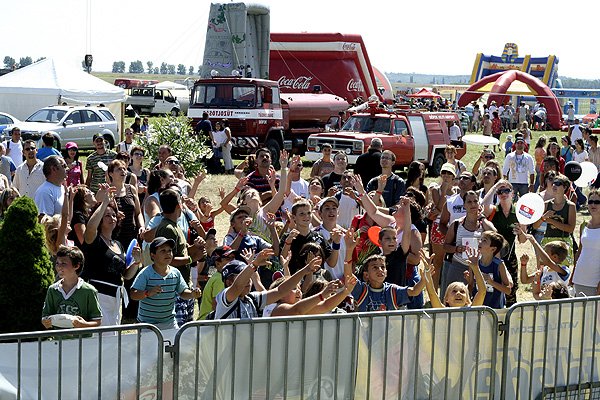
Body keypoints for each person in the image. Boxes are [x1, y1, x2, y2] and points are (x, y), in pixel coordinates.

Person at [82, 184, 142, 326]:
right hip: (97, 296)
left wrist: (137, 262)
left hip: (115, 297)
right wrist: (104, 204)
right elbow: (90, 227)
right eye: (107, 216)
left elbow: (126, 275)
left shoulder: (118, 244)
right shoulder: (94, 240)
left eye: (114, 215)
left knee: (113, 340)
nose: (112, 218)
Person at [213, 252, 320, 320]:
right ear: (228, 283)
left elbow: (280, 291)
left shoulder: (252, 299)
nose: (248, 281)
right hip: (226, 353)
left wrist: (304, 271)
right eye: (244, 277)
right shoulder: (225, 298)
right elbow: (237, 286)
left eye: (249, 277)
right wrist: (253, 265)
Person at [155, 188, 207, 326]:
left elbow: (180, 253)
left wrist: (195, 247)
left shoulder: (175, 226)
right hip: (173, 290)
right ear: (179, 206)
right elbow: (167, 260)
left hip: (183, 286)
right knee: (178, 335)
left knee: (186, 331)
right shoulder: (167, 228)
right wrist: (192, 259)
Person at [130, 237, 202, 330]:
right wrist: (148, 293)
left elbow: (183, 292)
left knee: (173, 344)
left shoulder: (175, 273)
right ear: (152, 255)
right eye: (163, 251)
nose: (168, 253)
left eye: (170, 250)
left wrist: (192, 294)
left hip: (169, 323)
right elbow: (133, 294)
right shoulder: (145, 273)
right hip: (147, 324)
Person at [441, 190, 496, 297]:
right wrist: (457, 249)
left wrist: (483, 219)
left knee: (476, 299)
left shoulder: (483, 224)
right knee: (452, 299)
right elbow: (446, 246)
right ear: (464, 205)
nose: (473, 204)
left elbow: (495, 235)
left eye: (475, 201)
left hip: (478, 268)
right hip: (458, 266)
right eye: (469, 202)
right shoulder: (456, 224)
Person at [41, 246, 102, 330]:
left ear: (76, 266)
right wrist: (46, 322)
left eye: (63, 263)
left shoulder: (89, 291)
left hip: (82, 340)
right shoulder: (52, 290)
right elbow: (45, 317)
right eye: (57, 263)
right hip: (59, 340)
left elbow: (97, 321)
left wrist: (84, 324)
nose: (59, 267)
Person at [280, 199, 341, 275]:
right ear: (294, 217)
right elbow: (282, 260)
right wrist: (288, 242)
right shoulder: (288, 237)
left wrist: (336, 243)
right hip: (295, 282)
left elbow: (332, 263)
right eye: (302, 214)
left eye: (309, 213)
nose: (306, 216)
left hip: (316, 282)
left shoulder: (319, 236)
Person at [532, 173, 576, 266]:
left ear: (564, 187)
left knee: (561, 275)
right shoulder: (546, 204)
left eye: (558, 183)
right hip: (548, 242)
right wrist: (543, 218)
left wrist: (551, 221)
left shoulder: (571, 206)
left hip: (563, 243)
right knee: (544, 274)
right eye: (553, 183)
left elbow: (570, 229)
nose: (554, 185)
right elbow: (535, 226)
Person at [263, 274, 356, 317]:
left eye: (299, 288)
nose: (299, 291)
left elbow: (325, 306)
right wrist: (322, 294)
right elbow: (297, 310)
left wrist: (345, 291)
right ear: (281, 294)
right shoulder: (275, 308)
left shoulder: (296, 307)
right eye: (294, 288)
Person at [422, 251, 487, 308]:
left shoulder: (472, 310)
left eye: (462, 291)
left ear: (467, 299)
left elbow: (482, 291)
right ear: (446, 298)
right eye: (454, 291)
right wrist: (427, 271)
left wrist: (475, 268)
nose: (458, 293)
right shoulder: (442, 311)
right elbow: (432, 294)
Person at [519, 233, 570, 300]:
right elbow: (525, 280)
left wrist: (534, 243)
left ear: (554, 256)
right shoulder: (544, 270)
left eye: (544, 252)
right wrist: (523, 264)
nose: (541, 255)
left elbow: (549, 262)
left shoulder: (564, 270)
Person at [469, 231, 512, 309]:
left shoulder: (499, 264)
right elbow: (471, 287)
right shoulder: (474, 262)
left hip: (495, 309)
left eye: (484, 240)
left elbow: (508, 290)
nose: (480, 242)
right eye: (480, 239)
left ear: (493, 249)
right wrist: (468, 279)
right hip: (477, 307)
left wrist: (491, 282)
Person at [572, 189, 600, 296]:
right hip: (579, 278)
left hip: (595, 281)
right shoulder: (584, 225)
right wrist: (573, 274)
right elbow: (579, 251)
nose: (593, 204)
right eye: (590, 202)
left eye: (597, 202)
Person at [198, 245, 235, 319]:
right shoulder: (219, 279)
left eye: (233, 258)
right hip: (210, 325)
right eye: (228, 258)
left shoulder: (217, 275)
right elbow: (217, 305)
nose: (232, 261)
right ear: (218, 263)